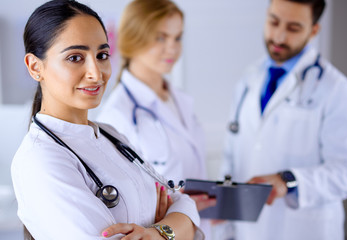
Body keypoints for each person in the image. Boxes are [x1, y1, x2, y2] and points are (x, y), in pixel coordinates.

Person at [11, 0, 203, 239]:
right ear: (34, 66)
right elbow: (185, 223)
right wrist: (171, 228)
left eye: (102, 55)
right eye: (75, 58)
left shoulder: (112, 136)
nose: (96, 73)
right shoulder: (39, 160)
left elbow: (186, 206)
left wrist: (157, 233)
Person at [221, 0, 347, 239]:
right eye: (273, 22)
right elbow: (233, 156)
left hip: (303, 230)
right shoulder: (248, 79)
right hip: (247, 230)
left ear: (314, 30)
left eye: (294, 28)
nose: (279, 36)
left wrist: (289, 181)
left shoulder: (337, 90)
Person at [96, 0, 216, 220]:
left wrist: (207, 209)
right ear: (133, 39)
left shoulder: (178, 100)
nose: (172, 47)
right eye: (161, 37)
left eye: (177, 38)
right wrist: (183, 208)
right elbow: (120, 207)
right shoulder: (117, 115)